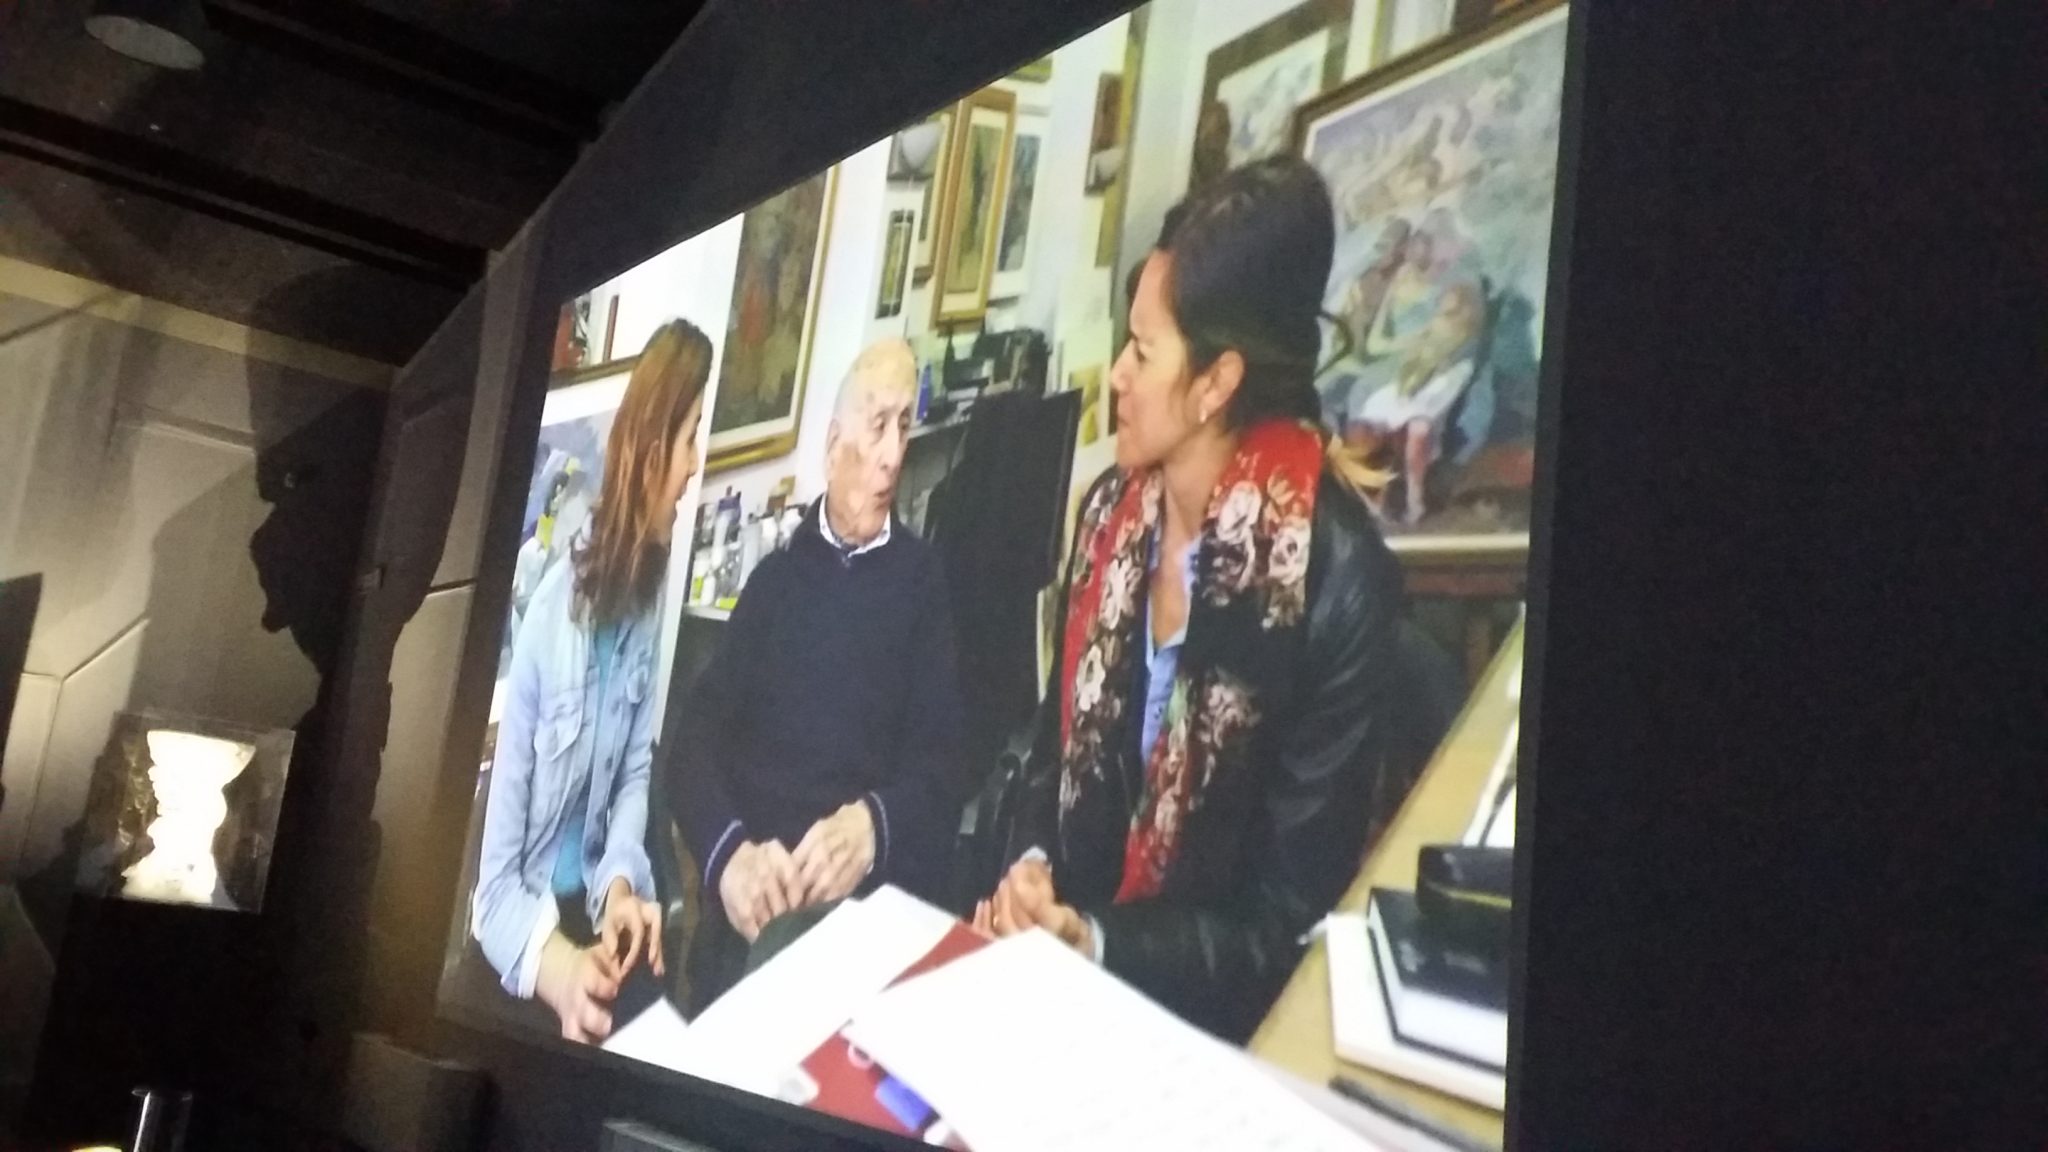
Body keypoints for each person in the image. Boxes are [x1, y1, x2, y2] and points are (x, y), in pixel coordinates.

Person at [976, 157, 1407, 1043]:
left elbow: (1285, 925)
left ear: (1216, 383)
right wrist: (1030, 873)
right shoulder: (1108, 518)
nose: (1117, 376)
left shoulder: (1335, 582)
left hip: (1216, 1037)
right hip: (1062, 991)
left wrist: (1096, 942)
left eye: (1142, 353)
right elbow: (1051, 752)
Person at [670, 338, 966, 1010]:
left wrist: (873, 829)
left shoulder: (923, 586)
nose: (893, 454)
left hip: (859, 922)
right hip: (758, 904)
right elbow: (691, 745)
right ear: (834, 445)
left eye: (904, 426)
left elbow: (945, 773)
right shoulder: (774, 584)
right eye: (877, 425)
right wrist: (730, 859)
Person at [472, 319, 712, 1043]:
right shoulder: (550, 620)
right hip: (530, 933)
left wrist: (620, 888)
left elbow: (635, 770)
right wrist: (561, 968)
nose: (694, 465)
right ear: (652, 450)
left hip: (593, 911)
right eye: (690, 438)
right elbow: (492, 899)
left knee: (666, 1034)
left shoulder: (646, 596)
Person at [1347, 281, 1488, 524]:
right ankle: (1373, 502)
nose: (1444, 316)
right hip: (1403, 394)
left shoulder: (1468, 346)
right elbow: (1379, 346)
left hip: (1435, 397)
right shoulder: (1428, 331)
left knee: (1418, 428)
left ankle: (1415, 500)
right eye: (1443, 310)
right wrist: (1387, 305)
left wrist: (1431, 376)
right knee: (1363, 429)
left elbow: (1452, 385)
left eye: (1452, 311)